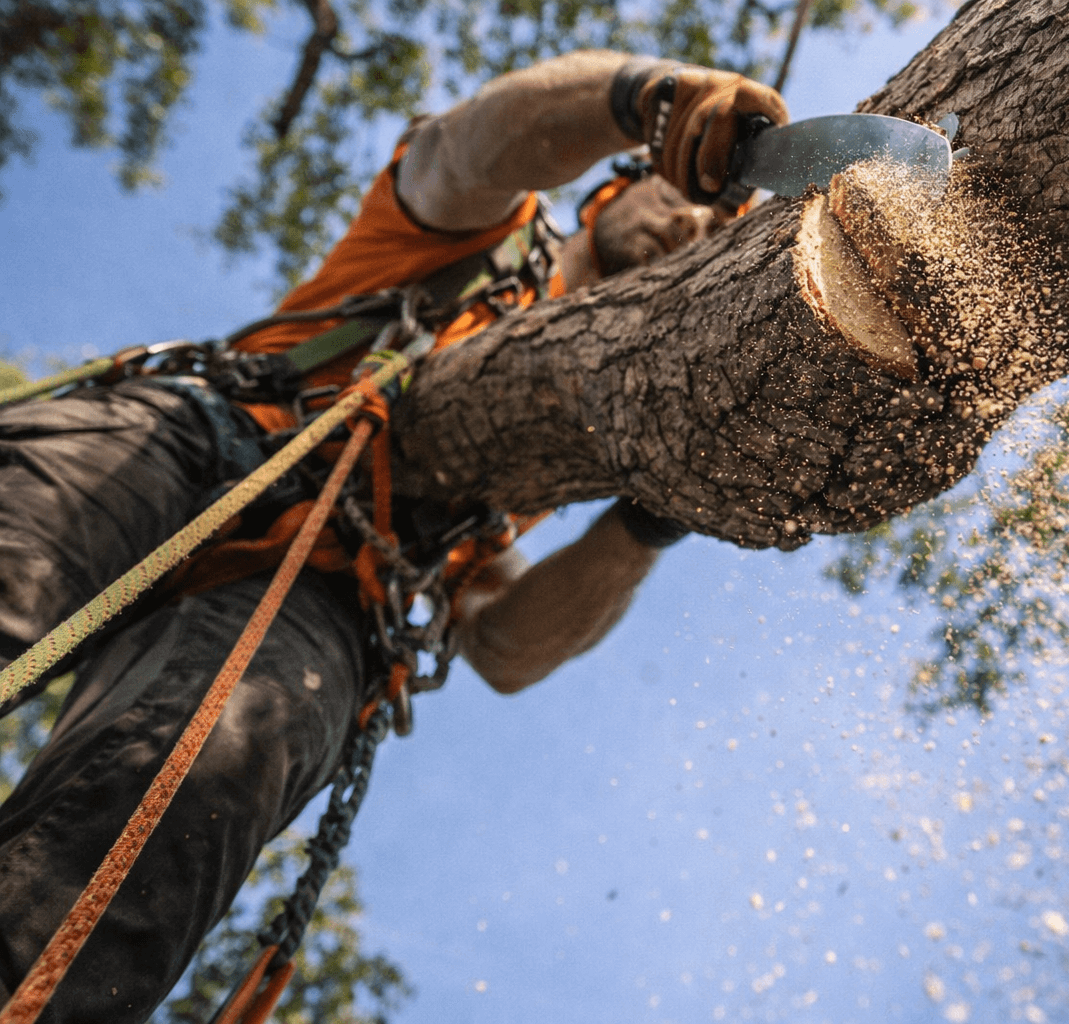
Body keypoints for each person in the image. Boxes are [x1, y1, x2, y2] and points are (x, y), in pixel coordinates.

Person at [0, 51, 788, 1024]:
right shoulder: (490, 232)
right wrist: (645, 97)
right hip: (212, 437)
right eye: (687, 202)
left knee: (167, 819)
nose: (691, 229)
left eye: (714, 243)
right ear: (605, 196)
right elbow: (467, 146)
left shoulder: (575, 445)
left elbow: (500, 644)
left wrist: (657, 511)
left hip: (331, 604)